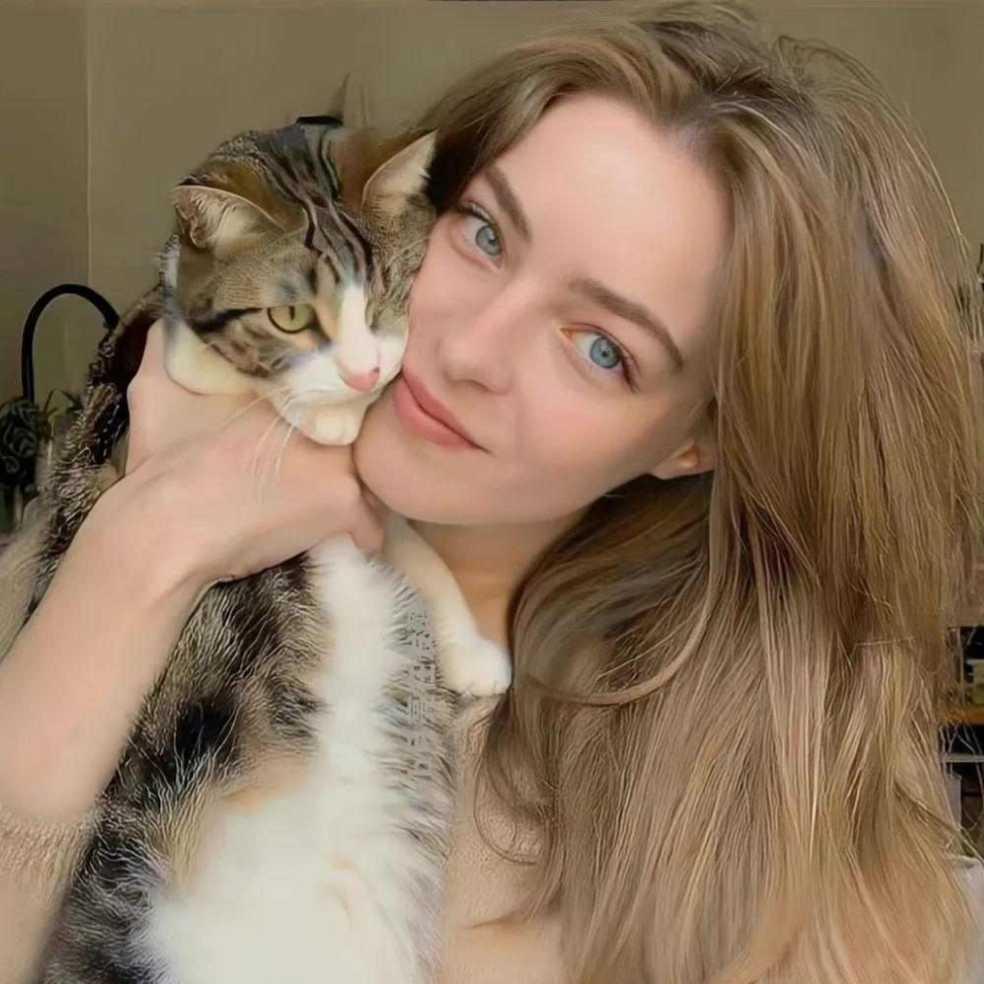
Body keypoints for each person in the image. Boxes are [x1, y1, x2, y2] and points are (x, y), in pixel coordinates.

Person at [2, 2, 982, 981]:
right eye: (484, 235)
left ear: (695, 442)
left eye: (601, 349)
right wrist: (147, 546)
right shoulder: (116, 520)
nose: (470, 349)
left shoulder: (755, 802)